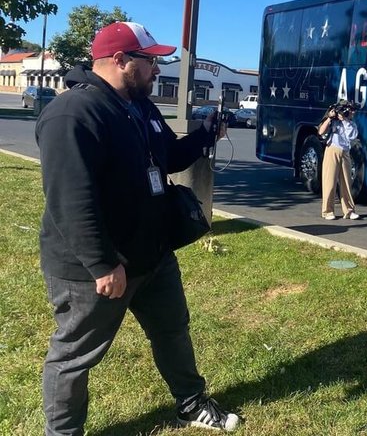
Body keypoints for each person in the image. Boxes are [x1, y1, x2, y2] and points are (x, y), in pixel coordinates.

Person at [35, 22, 240, 434]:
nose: (157, 70)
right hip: (96, 267)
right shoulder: (73, 113)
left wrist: (203, 135)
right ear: (120, 61)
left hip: (152, 255)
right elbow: (71, 202)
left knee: (172, 330)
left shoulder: (139, 107)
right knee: (74, 355)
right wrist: (101, 264)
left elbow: (168, 157)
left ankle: (190, 401)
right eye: (151, 62)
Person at [318, 99, 361, 220]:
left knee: (347, 182)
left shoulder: (351, 123)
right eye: (350, 110)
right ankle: (327, 211)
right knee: (329, 182)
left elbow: (352, 136)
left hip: (345, 152)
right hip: (332, 149)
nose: (352, 113)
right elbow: (321, 132)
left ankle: (349, 211)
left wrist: (345, 120)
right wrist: (330, 118)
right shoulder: (333, 121)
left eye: (352, 111)